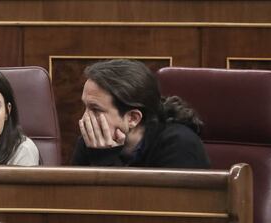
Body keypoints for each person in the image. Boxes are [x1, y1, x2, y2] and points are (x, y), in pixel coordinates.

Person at [72, 59, 210, 168]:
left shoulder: (180, 146)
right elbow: (70, 201)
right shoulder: (93, 143)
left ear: (133, 118)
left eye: (95, 109)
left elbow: (145, 203)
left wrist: (106, 162)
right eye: (85, 107)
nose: (84, 119)